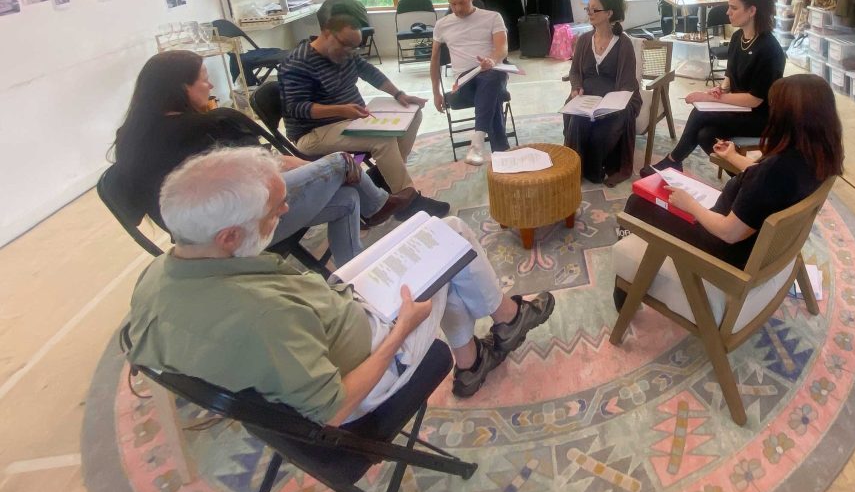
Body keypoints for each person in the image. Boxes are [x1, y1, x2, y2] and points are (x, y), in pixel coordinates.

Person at [126, 148, 557, 420]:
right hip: (374, 357)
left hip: (335, 309)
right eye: (277, 210)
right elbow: (335, 408)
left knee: (435, 238)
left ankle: (472, 360)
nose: (287, 210)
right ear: (229, 237)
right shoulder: (263, 316)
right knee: (452, 238)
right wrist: (403, 330)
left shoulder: (157, 275)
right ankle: (509, 318)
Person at [111, 51, 417, 266]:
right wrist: (323, 172)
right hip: (240, 231)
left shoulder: (128, 136)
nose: (211, 85)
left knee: (349, 197)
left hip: (193, 241)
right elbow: (270, 165)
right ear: (182, 88)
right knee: (339, 163)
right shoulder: (208, 126)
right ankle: (377, 204)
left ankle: (354, 274)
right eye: (204, 79)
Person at [623, 74, 842, 269]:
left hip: (724, 250)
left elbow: (728, 233)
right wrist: (732, 157)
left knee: (636, 202)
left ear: (787, 119)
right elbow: (771, 181)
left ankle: (628, 280)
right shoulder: (818, 157)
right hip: (756, 244)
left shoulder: (772, 173)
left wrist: (690, 205)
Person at [279, 13, 447, 216]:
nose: (350, 51)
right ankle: (408, 202)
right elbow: (297, 108)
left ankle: (381, 178)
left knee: (413, 115)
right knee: (382, 140)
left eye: (354, 47)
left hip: (351, 120)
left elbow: (370, 73)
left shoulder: (344, 52)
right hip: (313, 132)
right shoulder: (298, 63)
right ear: (326, 34)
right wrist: (341, 109)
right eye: (346, 44)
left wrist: (399, 94)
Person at [642, 0, 785, 177]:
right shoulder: (738, 38)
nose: (728, 12)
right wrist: (722, 89)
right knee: (705, 134)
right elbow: (729, 76)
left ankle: (673, 161)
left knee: (701, 114)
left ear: (752, 11)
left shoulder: (770, 49)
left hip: (760, 117)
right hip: (739, 108)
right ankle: (744, 177)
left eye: (734, 8)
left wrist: (711, 98)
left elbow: (755, 99)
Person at [564, 0, 642, 185]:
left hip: (615, 99)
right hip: (586, 97)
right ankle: (575, 167)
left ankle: (593, 167)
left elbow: (627, 84)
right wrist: (576, 87)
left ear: (609, 13)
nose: (589, 13)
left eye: (594, 9)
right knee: (577, 121)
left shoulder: (623, 44)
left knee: (602, 131)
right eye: (587, 8)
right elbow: (574, 72)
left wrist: (609, 103)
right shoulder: (583, 40)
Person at [430, 0, 512, 165]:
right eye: (452, 4)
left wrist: (491, 60)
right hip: (464, 81)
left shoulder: (492, 17)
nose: (457, 8)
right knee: (493, 96)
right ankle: (502, 153)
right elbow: (434, 60)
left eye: (462, 2)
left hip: (490, 70)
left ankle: (477, 144)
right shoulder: (442, 25)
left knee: (490, 77)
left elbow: (502, 48)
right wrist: (436, 92)